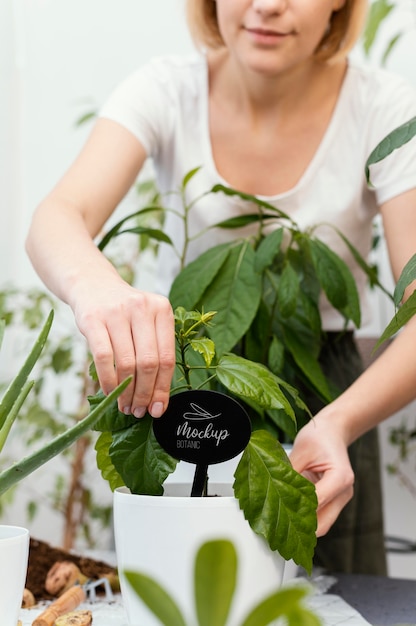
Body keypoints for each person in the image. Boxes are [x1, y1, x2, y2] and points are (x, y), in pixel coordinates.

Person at [26, 0, 416, 575]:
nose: (266, 6)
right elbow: (58, 215)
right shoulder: (167, 91)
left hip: (323, 400)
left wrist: (338, 422)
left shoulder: (382, 107)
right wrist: (99, 291)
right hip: (180, 379)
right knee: (170, 588)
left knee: (327, 601)